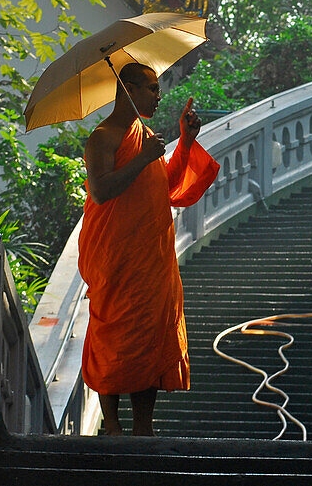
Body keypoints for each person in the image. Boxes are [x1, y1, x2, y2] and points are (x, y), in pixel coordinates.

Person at [79, 62, 219, 436]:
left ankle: (144, 426)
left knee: (150, 334)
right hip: (115, 257)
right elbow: (102, 190)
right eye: (152, 88)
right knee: (113, 331)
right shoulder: (103, 138)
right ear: (127, 89)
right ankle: (112, 424)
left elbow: (163, 189)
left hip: (150, 257)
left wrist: (185, 143)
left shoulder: (144, 135)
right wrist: (143, 157)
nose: (159, 96)